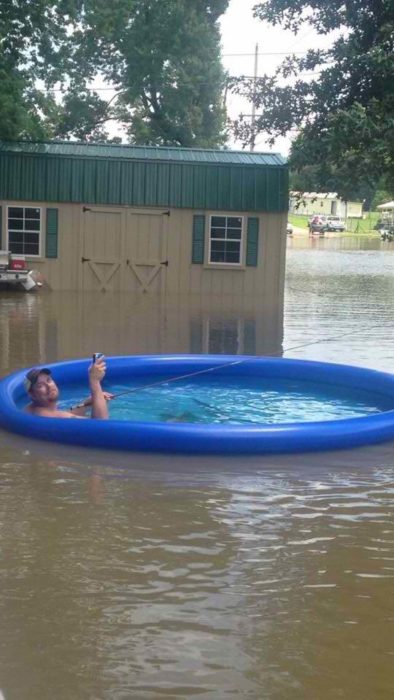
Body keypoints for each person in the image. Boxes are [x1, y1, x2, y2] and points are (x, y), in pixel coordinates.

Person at [24, 356, 110, 419]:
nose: (48, 386)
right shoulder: (45, 415)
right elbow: (100, 423)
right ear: (32, 395)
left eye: (49, 380)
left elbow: (64, 414)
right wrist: (94, 381)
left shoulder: (35, 409)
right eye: (40, 385)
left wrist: (86, 403)